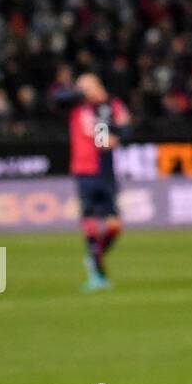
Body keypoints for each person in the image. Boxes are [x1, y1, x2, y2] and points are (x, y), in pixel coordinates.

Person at [56, 73, 131, 292]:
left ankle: (94, 258)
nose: (82, 92)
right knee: (89, 220)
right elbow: (57, 99)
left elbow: (123, 130)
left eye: (85, 87)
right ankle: (98, 274)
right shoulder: (77, 107)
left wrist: (116, 137)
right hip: (84, 170)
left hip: (106, 171)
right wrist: (80, 93)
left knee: (115, 225)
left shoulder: (109, 106)